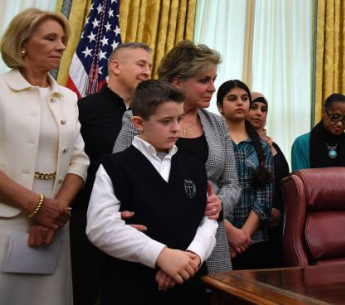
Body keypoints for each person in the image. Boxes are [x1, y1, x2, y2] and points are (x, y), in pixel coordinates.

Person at [87, 81, 217, 304]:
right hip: (132, 288)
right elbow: (101, 227)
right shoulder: (114, 166)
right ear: (138, 123)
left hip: (190, 287)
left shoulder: (194, 166)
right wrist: (161, 255)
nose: (176, 128)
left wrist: (192, 256)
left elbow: (209, 220)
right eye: (166, 121)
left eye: (179, 118)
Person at [114, 41, 238, 273]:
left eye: (213, 79)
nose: (213, 87)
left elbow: (232, 183)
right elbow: (118, 178)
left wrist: (220, 204)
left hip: (209, 243)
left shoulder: (218, 124)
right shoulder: (138, 118)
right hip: (154, 239)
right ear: (177, 82)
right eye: (204, 80)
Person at [0, 8, 88, 304]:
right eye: (50, 38)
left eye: (63, 39)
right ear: (23, 43)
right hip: (6, 218)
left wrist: (53, 212)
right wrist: (36, 206)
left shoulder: (68, 97)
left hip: (53, 225)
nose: (61, 46)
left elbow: (79, 161)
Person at [71, 42, 152, 305]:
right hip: (85, 227)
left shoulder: (150, 116)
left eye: (149, 66)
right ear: (115, 66)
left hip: (138, 230)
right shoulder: (83, 110)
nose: (147, 72)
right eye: (141, 64)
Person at [217, 80, 274, 270]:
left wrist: (243, 236)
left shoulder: (263, 146)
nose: (240, 103)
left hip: (254, 239)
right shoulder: (212, 142)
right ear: (220, 107)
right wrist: (229, 233)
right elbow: (204, 190)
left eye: (244, 99)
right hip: (215, 234)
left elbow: (265, 197)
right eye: (232, 99)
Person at [247, 91, 289, 266]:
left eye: (264, 109)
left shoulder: (274, 146)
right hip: (249, 224)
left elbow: (285, 181)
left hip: (276, 225)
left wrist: (278, 209)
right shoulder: (238, 144)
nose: (259, 113)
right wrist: (265, 210)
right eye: (254, 107)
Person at [290, 93, 345, 172]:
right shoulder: (302, 143)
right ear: (324, 113)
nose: (340, 124)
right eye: (335, 117)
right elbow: (300, 180)